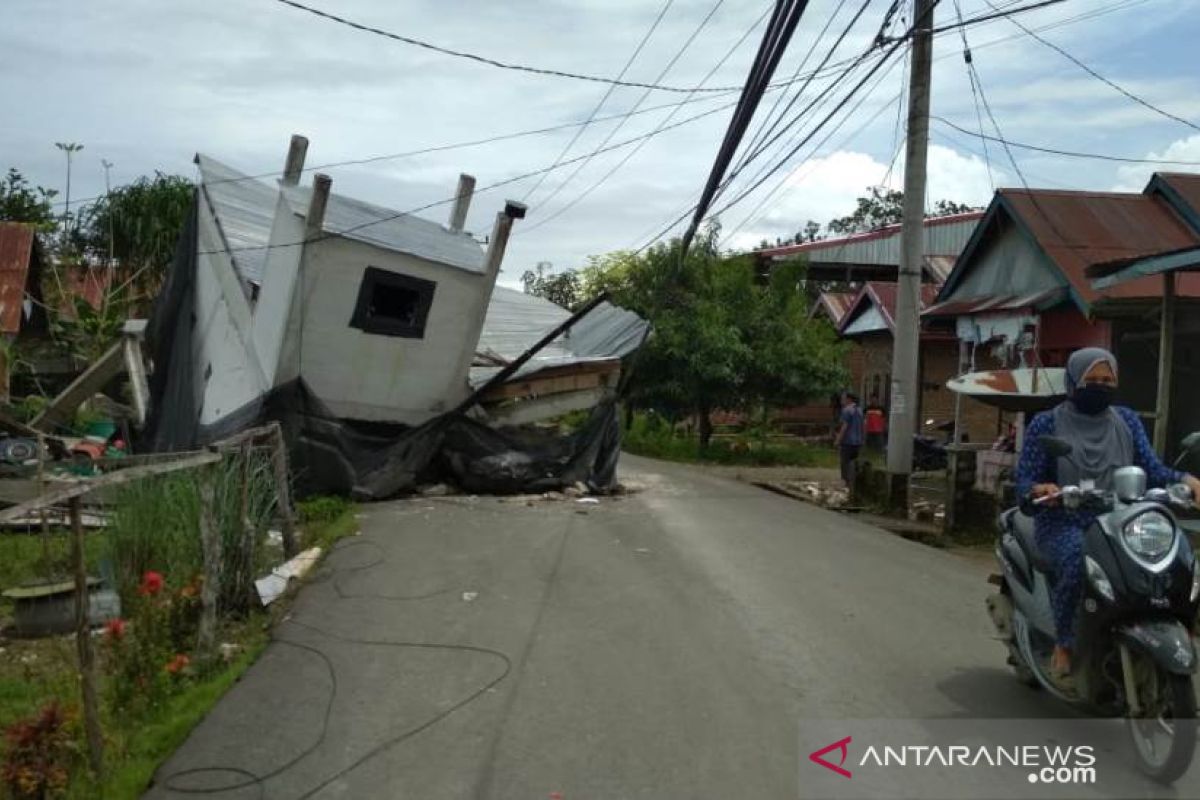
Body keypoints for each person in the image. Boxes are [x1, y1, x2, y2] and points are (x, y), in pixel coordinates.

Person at [1016, 347, 1200, 685]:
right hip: (1065, 520)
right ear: (1073, 381)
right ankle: (1066, 643)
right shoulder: (1047, 422)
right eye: (1092, 380)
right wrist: (1039, 490)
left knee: (1176, 560)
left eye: (1107, 380)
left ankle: (1180, 627)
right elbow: (1025, 482)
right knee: (1076, 561)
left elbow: (1152, 468)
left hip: (1120, 520)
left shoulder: (1126, 420)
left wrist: (1187, 481)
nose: (1100, 385)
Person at [835, 392, 864, 489]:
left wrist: (838, 440)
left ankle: (846, 481)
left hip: (847, 441)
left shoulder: (846, 410)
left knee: (845, 462)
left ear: (849, 399)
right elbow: (863, 426)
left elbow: (844, 426)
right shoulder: (859, 410)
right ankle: (854, 481)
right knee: (854, 462)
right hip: (857, 441)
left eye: (844, 398)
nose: (842, 400)